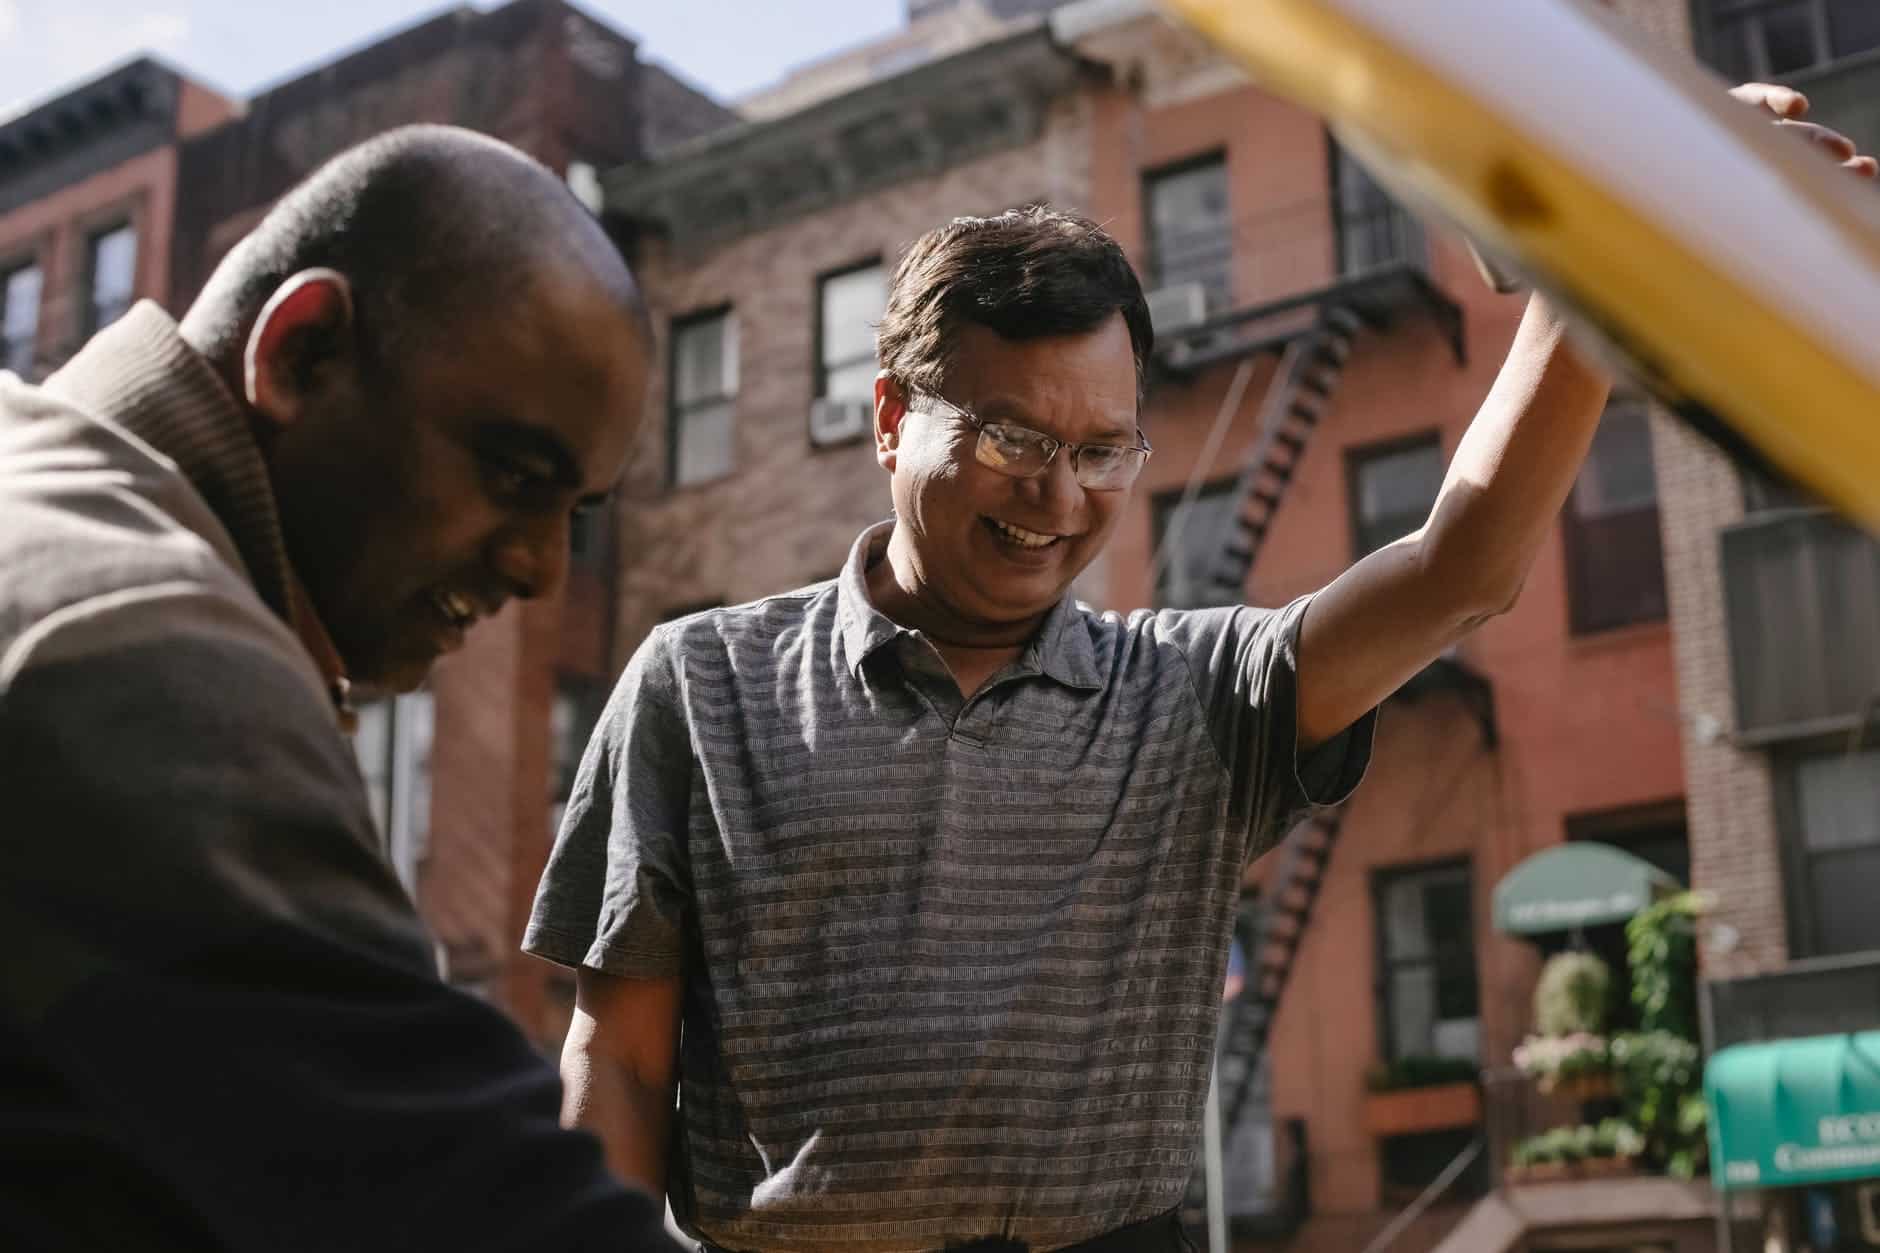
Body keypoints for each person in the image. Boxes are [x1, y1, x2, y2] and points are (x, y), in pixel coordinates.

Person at [523, 89, 1870, 1253]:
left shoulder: (1187, 694)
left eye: (1105, 448)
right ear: (892, 419)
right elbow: (622, 1067)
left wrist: (1609, 270)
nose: (1060, 495)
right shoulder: (695, 685)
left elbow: (1464, 568)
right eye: (1010, 436)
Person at [0, 125, 679, 1250]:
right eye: (513, 476)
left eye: (576, 516)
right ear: (302, 352)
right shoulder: (137, 634)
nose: (540, 570)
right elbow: (470, 1207)